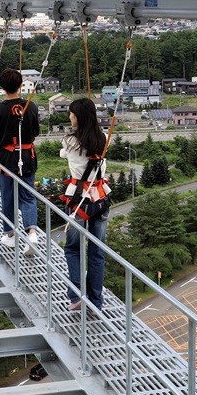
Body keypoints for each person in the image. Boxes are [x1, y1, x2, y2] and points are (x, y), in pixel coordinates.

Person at [60, 98, 110, 311]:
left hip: (78, 199)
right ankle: (95, 300)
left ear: (78, 117)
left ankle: (77, 295)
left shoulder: (70, 141)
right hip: (100, 198)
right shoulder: (104, 138)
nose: (70, 117)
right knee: (97, 251)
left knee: (73, 249)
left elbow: (64, 154)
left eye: (71, 113)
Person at [0, 68, 40, 255]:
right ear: (20, 85)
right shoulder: (30, 107)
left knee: (7, 194)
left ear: (2, 87)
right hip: (27, 156)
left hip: (7, 158)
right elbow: (35, 133)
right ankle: (32, 232)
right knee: (27, 195)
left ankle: (10, 235)